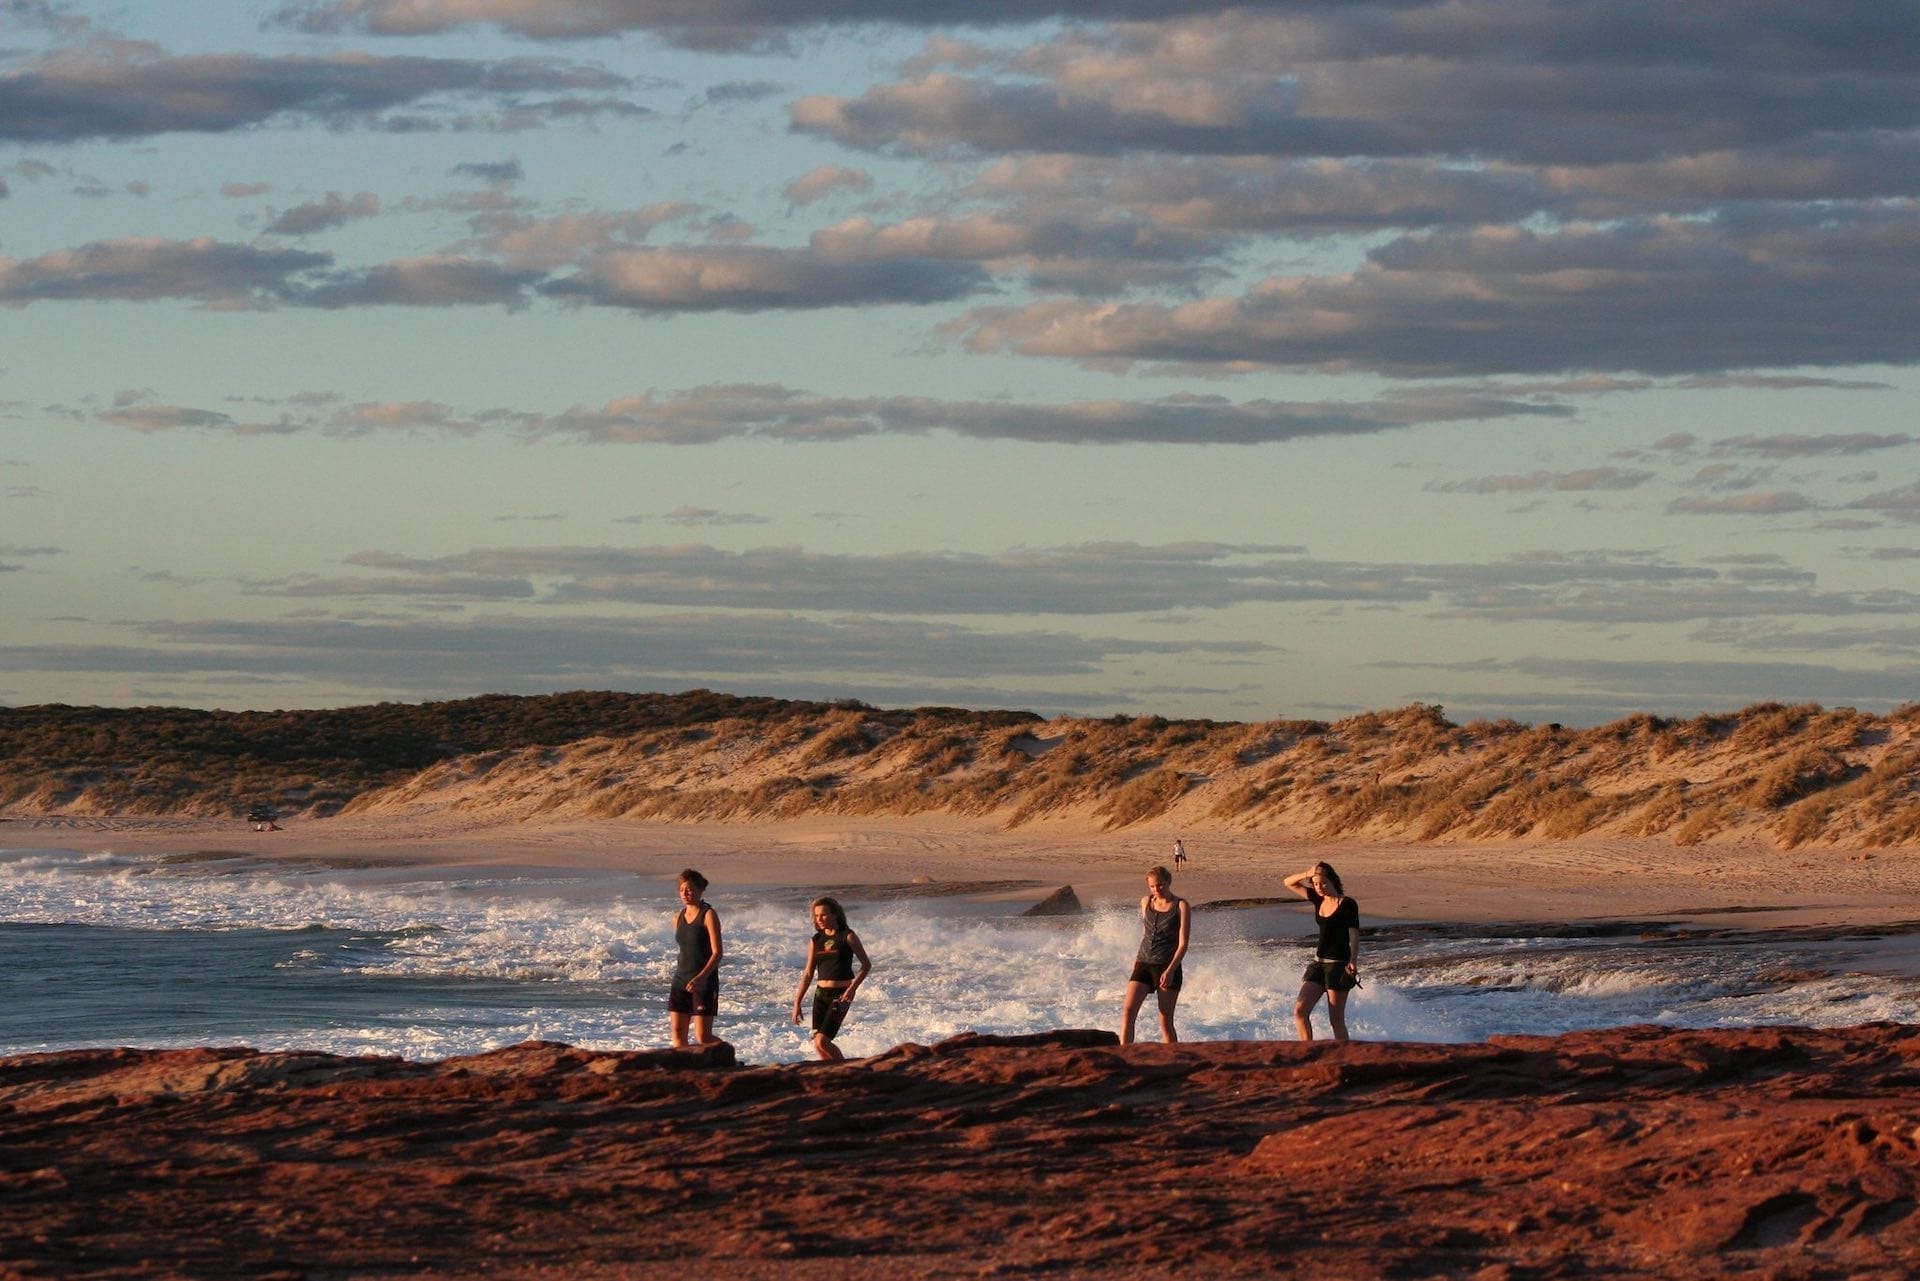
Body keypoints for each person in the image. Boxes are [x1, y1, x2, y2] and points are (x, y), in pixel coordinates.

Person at [1283, 861, 1359, 1041]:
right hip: (1318, 965)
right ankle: (1307, 1052)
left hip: (1339, 967)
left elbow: (1354, 935)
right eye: (1315, 883)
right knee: (1300, 1011)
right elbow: (1288, 882)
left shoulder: (1347, 904)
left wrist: (1353, 960)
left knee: (1336, 1021)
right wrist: (1307, 873)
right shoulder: (1318, 899)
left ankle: (1345, 1060)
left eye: (1323, 883)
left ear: (1333, 881)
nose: (1319, 887)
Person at [790, 896, 871, 1061]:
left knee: (823, 1040)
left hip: (841, 995)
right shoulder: (816, 940)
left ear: (835, 915)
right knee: (817, 1043)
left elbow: (866, 965)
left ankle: (847, 1070)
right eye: (816, 916)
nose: (819, 919)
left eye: (823, 915)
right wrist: (797, 1003)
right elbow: (808, 974)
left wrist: (851, 990)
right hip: (820, 995)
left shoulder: (847, 936)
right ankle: (834, 1072)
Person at [1121, 865, 1191, 1044]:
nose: (1156, 889)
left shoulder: (1181, 906)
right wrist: (1137, 959)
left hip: (1167, 966)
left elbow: (1183, 944)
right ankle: (1124, 1058)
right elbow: (1147, 933)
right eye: (1152, 886)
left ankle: (1173, 1061)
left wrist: (1171, 970)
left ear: (1168, 883)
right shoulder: (1146, 902)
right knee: (1128, 1012)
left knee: (1165, 1021)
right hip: (1143, 964)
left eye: (1160, 885)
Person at [668, 868, 723, 1048]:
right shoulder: (678, 917)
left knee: (703, 1037)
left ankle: (728, 1056)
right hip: (680, 980)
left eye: (690, 889)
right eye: (682, 890)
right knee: (678, 1035)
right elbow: (685, 950)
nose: (685, 893)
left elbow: (717, 953)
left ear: (700, 890)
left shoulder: (708, 915)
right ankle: (685, 1070)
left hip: (704, 982)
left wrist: (701, 978)